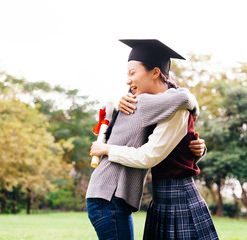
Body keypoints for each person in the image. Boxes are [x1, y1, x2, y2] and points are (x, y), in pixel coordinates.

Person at [86, 39, 206, 240]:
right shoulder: (140, 102)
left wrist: (198, 149)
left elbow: (182, 103)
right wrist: (107, 149)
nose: (128, 81)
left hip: (114, 197)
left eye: (132, 73)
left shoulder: (155, 104)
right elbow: (184, 99)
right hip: (109, 197)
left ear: (155, 72)